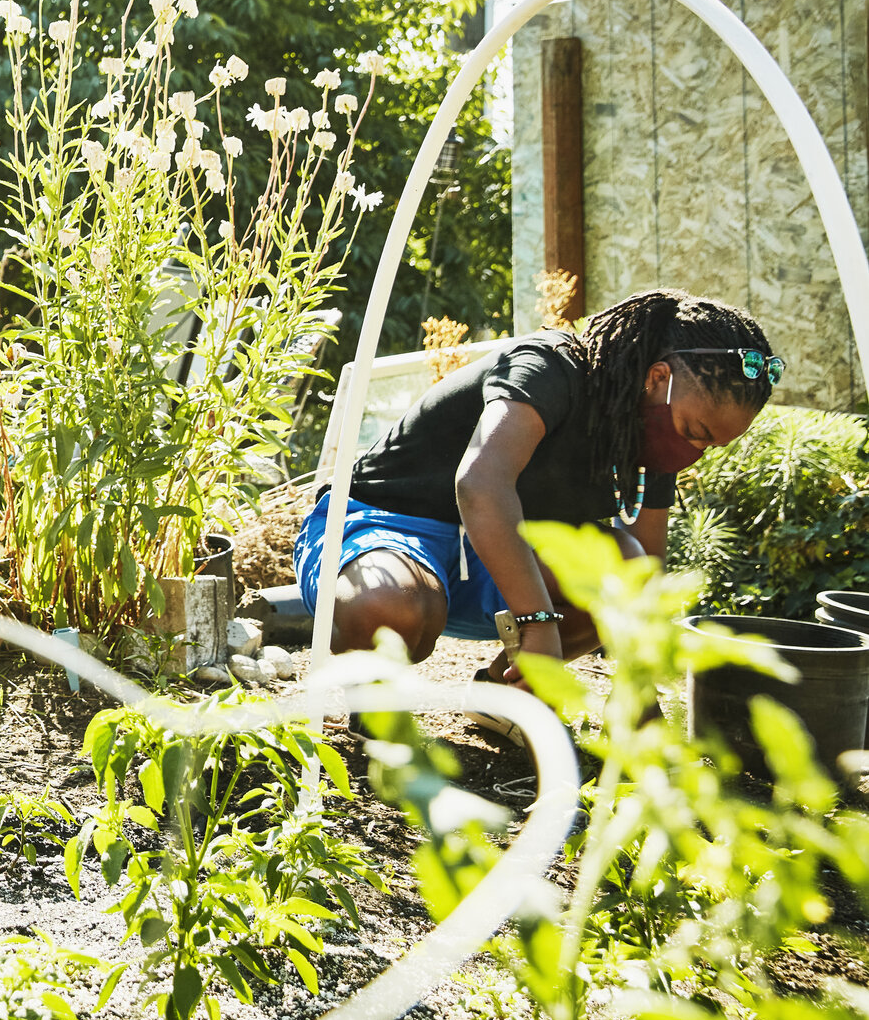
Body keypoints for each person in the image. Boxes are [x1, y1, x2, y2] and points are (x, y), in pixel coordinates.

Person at [299, 289, 777, 726]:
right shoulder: (548, 367)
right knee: (393, 608)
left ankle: (502, 698)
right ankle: (377, 705)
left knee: (620, 571)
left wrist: (636, 680)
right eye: (696, 431)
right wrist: (537, 624)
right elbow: (481, 485)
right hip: (383, 527)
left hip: (494, 550)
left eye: (712, 444)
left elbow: (643, 572)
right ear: (658, 379)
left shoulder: (650, 432)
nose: (696, 449)